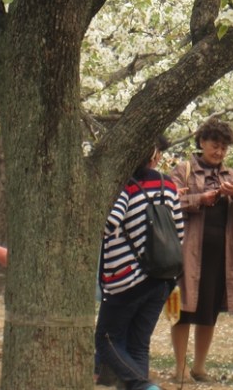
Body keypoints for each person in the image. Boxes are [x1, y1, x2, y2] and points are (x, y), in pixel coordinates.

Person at [169, 117, 233, 384]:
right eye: (215, 145)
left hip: (221, 255)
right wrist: (199, 199)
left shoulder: (229, 175)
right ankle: (179, 367)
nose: (219, 152)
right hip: (187, 252)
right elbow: (168, 201)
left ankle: (199, 367)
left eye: (224, 148)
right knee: (182, 309)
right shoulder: (182, 170)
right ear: (201, 142)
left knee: (209, 310)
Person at [96, 140, 184, 390]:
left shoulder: (123, 186)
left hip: (126, 279)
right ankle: (143, 386)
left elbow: (108, 225)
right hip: (162, 278)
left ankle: (145, 387)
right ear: (154, 157)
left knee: (106, 339)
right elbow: (179, 232)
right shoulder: (168, 185)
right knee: (138, 344)